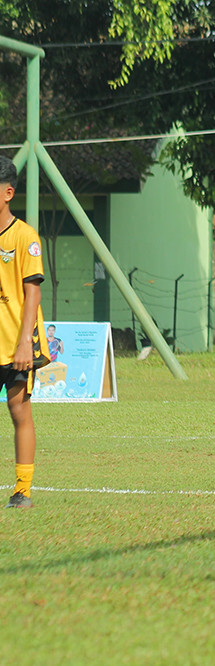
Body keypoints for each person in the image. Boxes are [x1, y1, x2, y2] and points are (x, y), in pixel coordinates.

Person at [0, 156, 50, 508]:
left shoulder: (24, 236)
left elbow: (33, 293)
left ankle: (22, 491)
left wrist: (23, 345)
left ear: (8, 193)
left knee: (19, 410)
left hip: (16, 342)